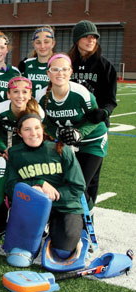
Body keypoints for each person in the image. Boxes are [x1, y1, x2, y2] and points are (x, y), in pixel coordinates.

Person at [6, 113, 85, 260]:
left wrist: (51, 196)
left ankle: (72, 233)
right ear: (19, 133)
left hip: (64, 205)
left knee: (63, 252)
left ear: (42, 129)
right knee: (19, 254)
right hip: (34, 208)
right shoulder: (15, 154)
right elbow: (10, 187)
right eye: (27, 129)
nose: (33, 133)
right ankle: (44, 228)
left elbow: (77, 187)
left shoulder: (61, 148)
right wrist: (38, 184)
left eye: (37, 128)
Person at [36, 53, 107, 213]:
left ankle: (87, 219)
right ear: (48, 73)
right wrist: (60, 133)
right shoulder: (41, 96)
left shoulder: (81, 92)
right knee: (64, 180)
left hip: (92, 140)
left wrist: (79, 133)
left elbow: (95, 118)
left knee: (81, 184)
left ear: (70, 72)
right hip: (65, 141)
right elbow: (45, 123)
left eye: (64, 69)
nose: (60, 73)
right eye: (55, 69)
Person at [68, 20, 117, 211]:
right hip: (70, 127)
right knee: (70, 177)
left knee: (89, 181)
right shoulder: (67, 63)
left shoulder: (105, 66)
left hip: (95, 130)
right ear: (76, 39)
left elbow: (111, 100)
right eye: (86, 36)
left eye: (94, 37)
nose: (91, 40)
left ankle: (87, 218)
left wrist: (103, 113)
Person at [0, 76, 44, 157]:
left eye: (24, 92)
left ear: (30, 95)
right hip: (2, 150)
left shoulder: (38, 112)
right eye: (15, 91)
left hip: (27, 149)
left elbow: (36, 136)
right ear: (8, 94)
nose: (20, 96)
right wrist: (5, 149)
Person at [19, 26, 56, 97]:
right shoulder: (25, 64)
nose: (42, 46)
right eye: (38, 42)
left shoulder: (59, 64)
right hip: (31, 107)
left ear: (53, 43)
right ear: (33, 44)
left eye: (46, 42)